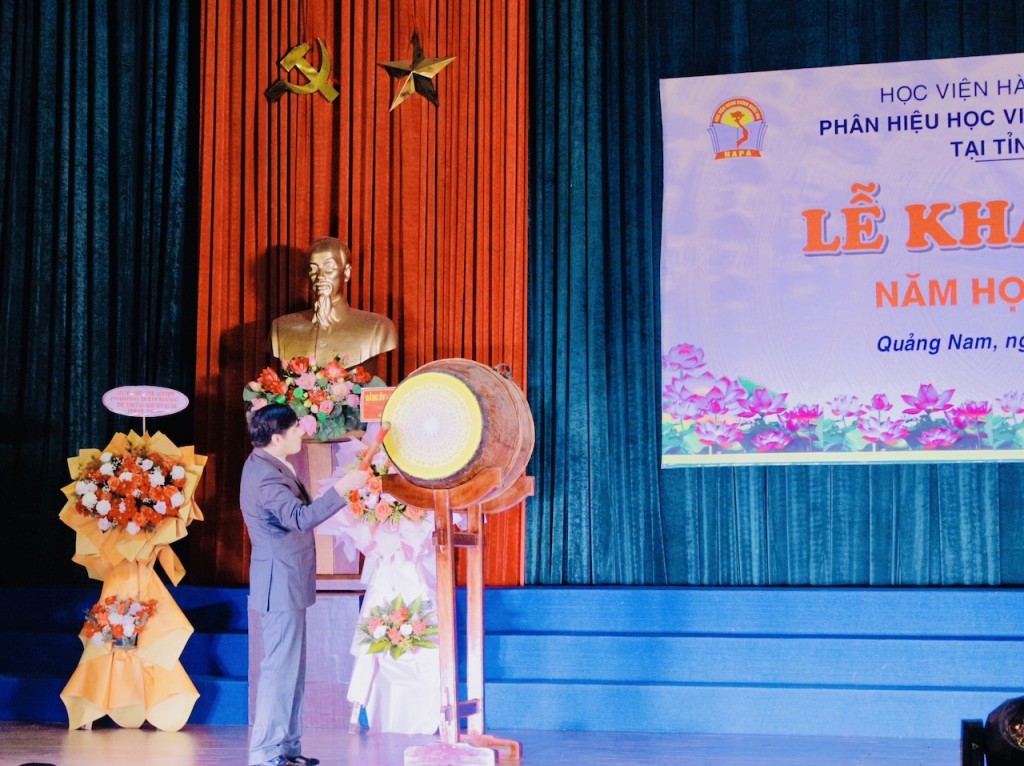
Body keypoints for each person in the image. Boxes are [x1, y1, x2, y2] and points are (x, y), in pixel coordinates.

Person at [240, 403, 368, 766]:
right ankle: (266, 754)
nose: (302, 433)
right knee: (280, 671)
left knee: (291, 672)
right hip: (278, 583)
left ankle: (286, 749)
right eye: (296, 429)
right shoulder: (265, 475)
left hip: (286, 580)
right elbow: (300, 518)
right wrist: (343, 489)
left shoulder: (269, 465)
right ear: (277, 437)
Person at [269, 237, 398, 367]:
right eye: (313, 269)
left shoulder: (379, 327)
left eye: (329, 268)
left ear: (346, 272)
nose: (320, 276)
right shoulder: (280, 328)